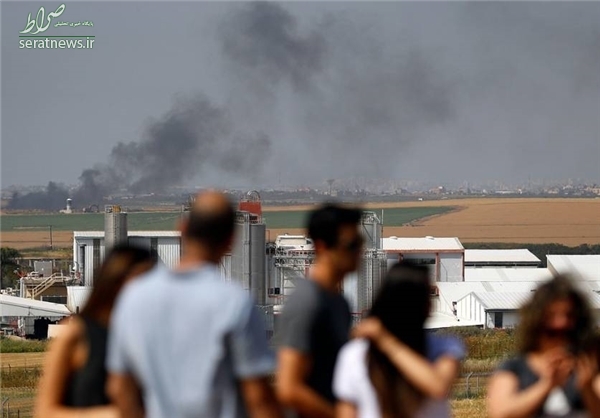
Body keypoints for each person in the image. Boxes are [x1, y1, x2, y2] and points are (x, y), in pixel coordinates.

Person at [106, 191, 282, 418]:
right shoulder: (234, 303)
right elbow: (258, 398)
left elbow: (119, 388)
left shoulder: (134, 298)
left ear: (182, 230)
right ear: (230, 240)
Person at [34, 244, 157, 418]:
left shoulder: (153, 335)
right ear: (114, 282)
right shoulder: (77, 334)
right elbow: (45, 411)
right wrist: (114, 414)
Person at [332, 261, 465, 418]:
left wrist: (385, 341)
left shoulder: (447, 347)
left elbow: (438, 386)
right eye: (427, 297)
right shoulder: (355, 354)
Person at [276, 204, 363, 418]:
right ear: (322, 247)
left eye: (360, 243)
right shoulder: (307, 301)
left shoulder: (339, 302)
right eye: (351, 245)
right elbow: (288, 388)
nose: (359, 252)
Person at [487, 275, 600, 418]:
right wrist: (547, 385)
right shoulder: (515, 368)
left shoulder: (589, 365)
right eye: (551, 316)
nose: (561, 323)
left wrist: (587, 389)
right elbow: (502, 412)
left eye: (569, 315)